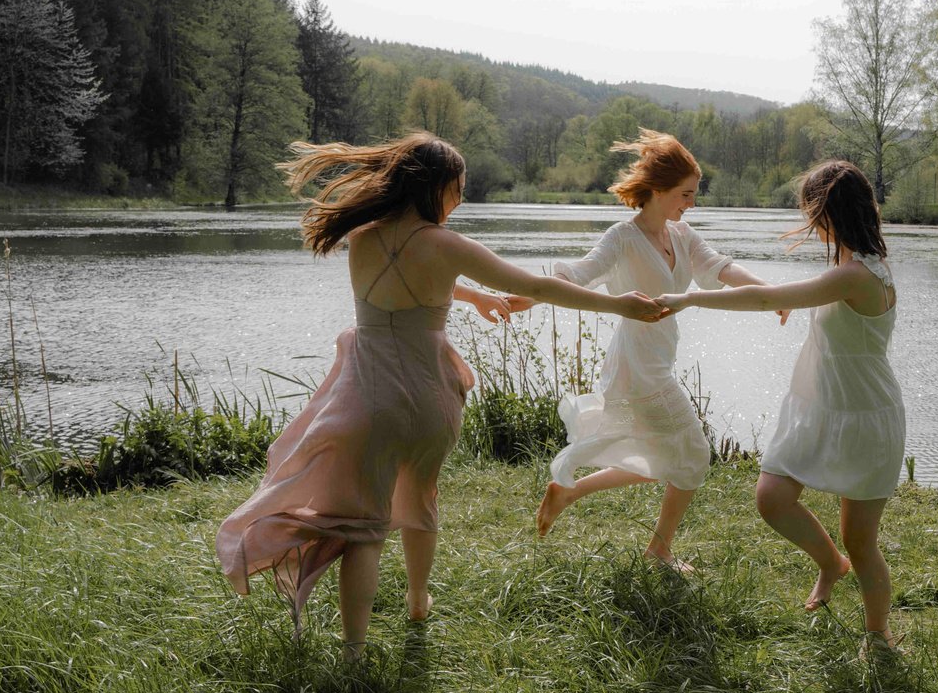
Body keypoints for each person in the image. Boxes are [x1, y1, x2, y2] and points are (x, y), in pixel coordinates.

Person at [216, 133, 664, 657]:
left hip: (367, 396)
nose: (462, 198)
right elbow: (537, 288)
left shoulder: (361, 237)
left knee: (365, 529)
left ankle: (354, 649)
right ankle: (417, 600)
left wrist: (471, 295)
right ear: (437, 188)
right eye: (459, 187)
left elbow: (402, 279)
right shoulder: (447, 246)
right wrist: (620, 306)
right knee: (419, 495)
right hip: (429, 398)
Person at [655, 160, 906, 651]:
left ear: (827, 214)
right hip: (820, 407)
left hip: (865, 418)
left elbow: (764, 297)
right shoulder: (848, 266)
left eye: (813, 215)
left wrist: (688, 298)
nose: (812, 227)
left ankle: (879, 637)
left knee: (862, 540)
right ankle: (830, 564)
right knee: (772, 497)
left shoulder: (858, 274)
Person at [535, 129, 786, 570]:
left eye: (693, 194)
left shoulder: (682, 235)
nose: (690, 203)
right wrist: (525, 296)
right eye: (685, 194)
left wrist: (771, 292)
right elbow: (578, 275)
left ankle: (574, 491)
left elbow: (721, 268)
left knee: (670, 455)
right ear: (658, 190)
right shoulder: (622, 237)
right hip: (636, 365)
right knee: (692, 455)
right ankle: (658, 549)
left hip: (658, 359)